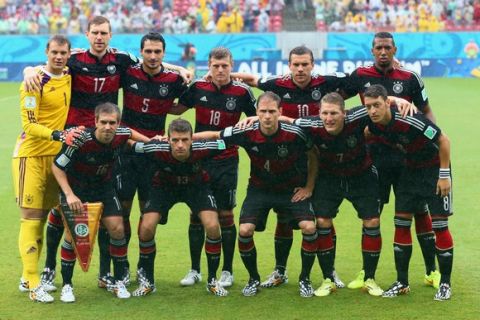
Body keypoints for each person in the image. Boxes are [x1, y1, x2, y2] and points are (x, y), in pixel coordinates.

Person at [22, 18, 192, 290]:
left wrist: (179, 67)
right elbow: (50, 64)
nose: (99, 37)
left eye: (104, 33)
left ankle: (106, 273)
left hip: (110, 139)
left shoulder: (122, 59)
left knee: (110, 211)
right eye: (95, 33)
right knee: (59, 210)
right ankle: (48, 270)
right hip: (76, 136)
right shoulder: (75, 58)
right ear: (87, 34)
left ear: (110, 35)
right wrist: (30, 69)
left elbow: (151, 61)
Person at [232, 45, 347, 289]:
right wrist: (223, 75)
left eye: (305, 64)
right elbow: (252, 80)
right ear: (289, 65)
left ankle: (330, 271)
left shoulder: (325, 82)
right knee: (284, 219)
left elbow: (360, 81)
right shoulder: (277, 85)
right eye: (296, 64)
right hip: (287, 161)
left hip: (319, 160)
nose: (300, 68)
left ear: (313, 65)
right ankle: (280, 271)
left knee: (323, 217)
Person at [193, 92, 319, 298]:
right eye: (263, 111)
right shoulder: (246, 131)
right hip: (260, 189)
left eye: (271, 111)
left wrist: (309, 187)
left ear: (280, 112)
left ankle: (304, 279)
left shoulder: (295, 133)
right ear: (256, 112)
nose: (267, 116)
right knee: (245, 230)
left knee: (309, 227)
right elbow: (215, 135)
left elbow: (313, 154)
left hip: (291, 189)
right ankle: (253, 279)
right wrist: (183, 139)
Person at [343, 31, 440, 290]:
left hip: (408, 158)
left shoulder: (409, 78)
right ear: (372, 50)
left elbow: (426, 110)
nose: (383, 51)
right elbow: (336, 102)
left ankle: (432, 271)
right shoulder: (360, 76)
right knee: (372, 214)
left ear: (394, 48)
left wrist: (430, 141)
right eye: (378, 48)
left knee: (419, 211)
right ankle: (368, 274)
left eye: (387, 47)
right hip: (374, 156)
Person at [173, 47, 257, 288]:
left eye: (225, 66)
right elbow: (178, 109)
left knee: (225, 216)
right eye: (215, 66)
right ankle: (194, 269)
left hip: (226, 161)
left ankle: (227, 271)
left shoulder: (242, 91)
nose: (220, 71)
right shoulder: (199, 87)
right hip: (198, 159)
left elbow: (258, 117)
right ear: (209, 66)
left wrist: (246, 123)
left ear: (232, 66)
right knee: (196, 215)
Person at [51, 103, 150, 302]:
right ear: (95, 122)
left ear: (118, 123)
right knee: (72, 236)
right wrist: (70, 195)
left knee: (117, 229)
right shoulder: (80, 140)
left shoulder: (122, 134)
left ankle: (118, 281)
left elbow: (129, 133)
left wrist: (150, 141)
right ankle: (68, 286)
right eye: (103, 122)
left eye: (112, 123)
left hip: (103, 189)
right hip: (76, 189)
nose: (107, 127)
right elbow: (57, 167)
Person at [363, 84, 453, 301]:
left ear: (387, 103)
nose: (373, 111)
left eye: (377, 105)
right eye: (369, 107)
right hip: (410, 171)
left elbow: (443, 140)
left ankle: (445, 284)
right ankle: (402, 282)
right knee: (401, 222)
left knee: (440, 225)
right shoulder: (373, 124)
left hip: (434, 171)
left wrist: (444, 175)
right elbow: (362, 131)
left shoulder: (409, 118)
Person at [293, 92, 383, 297]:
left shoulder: (358, 116)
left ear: (344, 113)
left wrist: (400, 101)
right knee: (323, 221)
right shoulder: (311, 123)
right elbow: (287, 121)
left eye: (334, 113)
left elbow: (383, 105)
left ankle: (369, 278)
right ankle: (328, 279)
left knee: (372, 222)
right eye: (324, 113)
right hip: (329, 177)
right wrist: (255, 118)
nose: (328, 118)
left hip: (361, 176)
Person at [117, 32, 188, 282]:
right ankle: (122, 267)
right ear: (141, 52)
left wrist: (181, 72)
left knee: (148, 215)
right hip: (125, 153)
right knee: (122, 212)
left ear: (163, 53)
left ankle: (144, 269)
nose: (153, 56)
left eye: (158, 52)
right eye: (148, 51)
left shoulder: (173, 80)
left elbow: (183, 103)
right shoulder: (128, 72)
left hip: (154, 155)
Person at [13, 35, 79, 303]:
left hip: (55, 159)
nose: (59, 57)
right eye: (54, 52)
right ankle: (31, 280)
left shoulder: (70, 74)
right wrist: (59, 135)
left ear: (69, 54)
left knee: (46, 217)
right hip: (30, 157)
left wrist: (178, 68)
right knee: (31, 217)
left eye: (63, 52)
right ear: (46, 52)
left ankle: (29, 277)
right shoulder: (32, 82)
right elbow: (29, 126)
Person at [130, 119, 229, 297]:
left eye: (185, 139)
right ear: (168, 140)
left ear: (192, 139)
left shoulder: (205, 148)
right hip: (164, 188)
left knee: (213, 227)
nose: (180, 145)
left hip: (197, 188)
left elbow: (225, 138)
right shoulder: (155, 148)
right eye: (175, 140)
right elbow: (128, 142)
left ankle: (212, 281)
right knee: (146, 228)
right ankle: (148, 282)